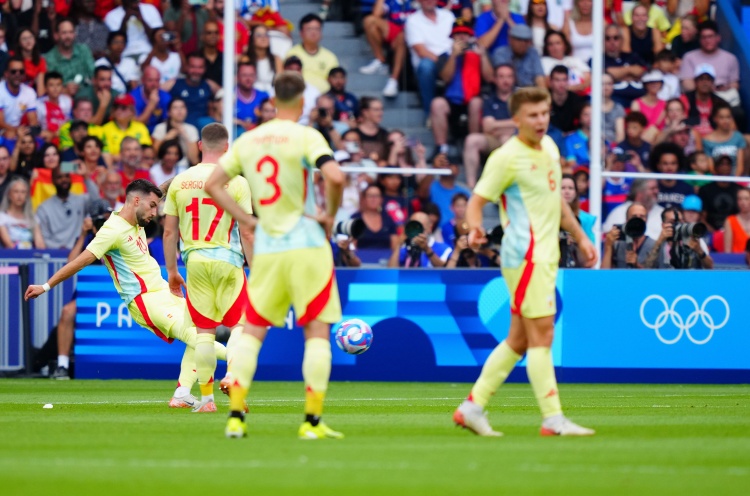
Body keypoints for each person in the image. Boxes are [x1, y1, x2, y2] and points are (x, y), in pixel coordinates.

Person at [205, 71, 346, 439]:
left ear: (273, 98)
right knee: (316, 332)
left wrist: (246, 218)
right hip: (307, 245)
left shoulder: (249, 140)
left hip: (268, 247)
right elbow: (335, 177)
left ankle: (236, 417)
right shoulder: (306, 136)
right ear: (301, 100)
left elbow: (213, 184)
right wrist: (329, 216)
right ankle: (311, 423)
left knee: (253, 331)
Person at [454, 87, 596, 437]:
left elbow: (556, 200)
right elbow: (476, 201)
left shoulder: (550, 148)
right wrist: (474, 229)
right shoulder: (506, 157)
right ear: (516, 119)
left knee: (518, 339)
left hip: (545, 254)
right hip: (526, 256)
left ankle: (472, 407)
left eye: (545, 113)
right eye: (533, 115)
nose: (541, 120)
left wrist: (580, 236)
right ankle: (552, 419)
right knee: (542, 334)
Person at [25, 179, 229, 407]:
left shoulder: (138, 214)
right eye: (152, 206)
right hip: (145, 300)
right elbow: (80, 261)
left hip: (164, 290)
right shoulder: (112, 231)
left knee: (201, 330)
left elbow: (159, 190)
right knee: (196, 336)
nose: (155, 212)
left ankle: (182, 393)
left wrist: (189, 175)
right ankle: (237, 362)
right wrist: (45, 286)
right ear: (136, 201)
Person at [163, 123, 253, 413]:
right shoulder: (237, 182)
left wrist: (172, 271)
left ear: (200, 146)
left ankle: (206, 400)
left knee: (204, 333)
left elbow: (169, 232)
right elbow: (247, 231)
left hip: (195, 262)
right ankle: (232, 377)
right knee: (241, 325)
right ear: (227, 148)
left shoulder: (180, 182)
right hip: (228, 261)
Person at [462, 63, 516, 188]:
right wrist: (512, 123)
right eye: (501, 77)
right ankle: (471, 186)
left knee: (506, 140)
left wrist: (497, 126)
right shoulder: (489, 100)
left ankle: (504, 186)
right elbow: (487, 127)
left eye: (509, 76)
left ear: (514, 79)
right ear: (495, 79)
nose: (505, 80)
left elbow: (523, 123)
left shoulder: (520, 99)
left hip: (516, 140)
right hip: (493, 139)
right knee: (471, 140)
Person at [405, 0, 455, 118]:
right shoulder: (412, 20)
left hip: (451, 56)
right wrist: (444, 66)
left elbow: (458, 38)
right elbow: (421, 51)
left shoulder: (448, 16)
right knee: (426, 67)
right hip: (430, 61)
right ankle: (430, 115)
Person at [358, 0, 412, 98]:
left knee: (402, 37)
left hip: (413, 31)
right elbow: (376, 14)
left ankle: (393, 80)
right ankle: (380, 61)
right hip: (395, 28)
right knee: (369, 21)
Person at [286, 14, 339, 94]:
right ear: (301, 33)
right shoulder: (291, 53)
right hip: (298, 95)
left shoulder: (330, 57)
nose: (313, 32)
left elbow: (335, 81)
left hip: (325, 97)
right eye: (309, 29)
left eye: (317, 29)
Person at [645, 207, 713, 269]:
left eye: (680, 221)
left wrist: (699, 250)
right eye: (672, 222)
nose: (678, 225)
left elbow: (710, 267)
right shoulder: (656, 242)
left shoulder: (694, 240)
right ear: (663, 225)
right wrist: (659, 242)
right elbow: (647, 267)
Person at [44, 18, 95, 96]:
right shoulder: (49, 58)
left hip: (86, 95)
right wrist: (64, 90)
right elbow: (49, 86)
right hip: (61, 96)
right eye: (64, 33)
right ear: (56, 36)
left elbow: (94, 75)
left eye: (71, 32)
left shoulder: (84, 50)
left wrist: (81, 87)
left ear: (75, 34)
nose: (68, 36)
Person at [389, 210, 453, 268]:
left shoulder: (444, 249)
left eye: (419, 228)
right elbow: (391, 271)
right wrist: (399, 244)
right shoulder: (406, 248)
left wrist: (427, 249)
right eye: (413, 228)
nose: (416, 232)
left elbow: (445, 271)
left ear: (430, 228)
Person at [601, 202, 655, 269]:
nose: (638, 220)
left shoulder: (654, 245)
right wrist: (608, 246)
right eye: (634, 217)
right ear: (627, 220)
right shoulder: (617, 244)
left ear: (646, 220)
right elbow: (604, 273)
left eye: (642, 216)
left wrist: (637, 265)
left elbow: (661, 274)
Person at [491, 24, 546, 89]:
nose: (523, 44)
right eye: (519, 40)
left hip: (530, 91)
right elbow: (503, 78)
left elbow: (539, 78)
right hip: (508, 91)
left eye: (526, 41)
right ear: (510, 40)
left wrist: (543, 93)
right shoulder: (500, 53)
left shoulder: (533, 53)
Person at [101, 94, 153, 160]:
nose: (118, 111)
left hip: (139, 164)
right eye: (116, 107)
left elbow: (147, 152)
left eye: (123, 108)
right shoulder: (105, 129)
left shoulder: (141, 128)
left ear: (132, 111)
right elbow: (106, 155)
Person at [151, 98, 199, 169]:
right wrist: (166, 138)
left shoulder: (192, 129)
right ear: (168, 112)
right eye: (175, 107)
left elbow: (194, 160)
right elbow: (154, 155)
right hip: (162, 167)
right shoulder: (160, 128)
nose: (179, 110)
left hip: (184, 168)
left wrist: (185, 136)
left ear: (186, 111)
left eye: (182, 107)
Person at [701, 105, 746, 176]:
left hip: (735, 177)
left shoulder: (738, 137)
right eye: (721, 117)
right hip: (716, 178)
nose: (726, 121)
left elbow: (740, 165)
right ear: (715, 119)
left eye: (728, 117)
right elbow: (710, 166)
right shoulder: (707, 140)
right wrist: (721, 180)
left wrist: (734, 180)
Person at [0, 177, 44, 249]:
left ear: (27, 196)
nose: (19, 195)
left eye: (23, 192)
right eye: (16, 191)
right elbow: (9, 245)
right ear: (9, 194)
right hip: (11, 254)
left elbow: (40, 245)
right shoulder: (2, 217)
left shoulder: (33, 218)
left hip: (31, 254)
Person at [96, 31, 140, 95]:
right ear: (109, 45)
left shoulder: (130, 63)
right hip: (106, 95)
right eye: (116, 42)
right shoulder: (99, 63)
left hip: (124, 97)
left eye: (122, 43)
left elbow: (134, 86)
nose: (119, 46)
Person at [723, 188, 750, 254]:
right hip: (736, 259)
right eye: (740, 199)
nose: (743, 202)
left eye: (746, 199)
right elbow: (727, 251)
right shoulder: (730, 221)